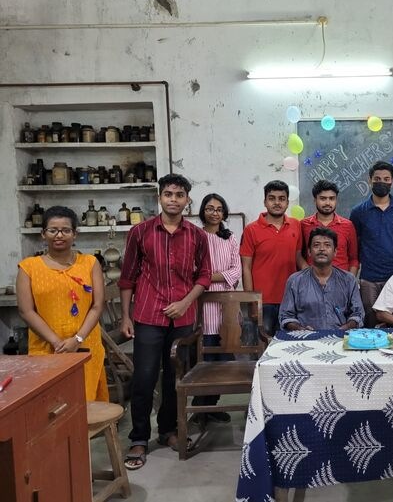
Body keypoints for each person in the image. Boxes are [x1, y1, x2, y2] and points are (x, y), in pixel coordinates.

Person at [119, 173, 212, 469]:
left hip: (182, 317)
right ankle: (139, 438)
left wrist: (185, 302)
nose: (174, 199)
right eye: (168, 194)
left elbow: (204, 275)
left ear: (187, 200)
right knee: (145, 378)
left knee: (176, 378)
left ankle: (169, 430)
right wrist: (125, 316)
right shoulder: (140, 232)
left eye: (179, 194)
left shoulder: (197, 235)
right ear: (160, 197)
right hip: (148, 315)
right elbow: (127, 276)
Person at [17, 206, 108, 402]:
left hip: (85, 346)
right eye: (53, 230)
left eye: (66, 230)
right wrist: (57, 343)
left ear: (75, 234)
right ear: (43, 234)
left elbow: (97, 305)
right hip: (46, 349)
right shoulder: (28, 267)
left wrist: (77, 339)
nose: (59, 235)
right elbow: (26, 311)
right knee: (51, 406)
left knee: (86, 402)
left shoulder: (90, 263)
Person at [191, 193, 242, 424]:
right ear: (203, 211)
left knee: (223, 358)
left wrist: (207, 277)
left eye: (219, 209)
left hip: (226, 305)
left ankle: (212, 406)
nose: (214, 213)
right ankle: (199, 408)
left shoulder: (230, 238)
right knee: (204, 359)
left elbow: (236, 271)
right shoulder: (195, 236)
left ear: (224, 213)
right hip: (202, 303)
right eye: (210, 208)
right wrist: (209, 278)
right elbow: (192, 270)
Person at [350, 161, 393, 327]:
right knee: (370, 323)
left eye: (386, 179)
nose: (382, 182)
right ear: (370, 180)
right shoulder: (358, 212)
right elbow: (355, 244)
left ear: (392, 181)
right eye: (377, 179)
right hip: (369, 278)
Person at [240, 180, 303, 335]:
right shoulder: (251, 229)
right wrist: (251, 300)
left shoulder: (296, 225)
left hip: (290, 300)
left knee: (288, 344)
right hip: (262, 300)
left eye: (281, 199)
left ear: (287, 202)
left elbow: (298, 259)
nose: (277, 203)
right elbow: (246, 267)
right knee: (262, 344)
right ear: (265, 202)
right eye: (272, 198)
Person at [279, 227, 364, 330]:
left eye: (327, 245)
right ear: (309, 252)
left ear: (335, 252)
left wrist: (344, 328)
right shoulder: (295, 281)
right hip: (306, 337)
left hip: (341, 337)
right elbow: (286, 316)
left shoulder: (348, 280)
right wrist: (301, 329)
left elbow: (358, 314)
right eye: (316, 245)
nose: (322, 249)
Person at [301, 180, 359, 276]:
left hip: (342, 281)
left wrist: (350, 280)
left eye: (331, 198)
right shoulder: (304, 225)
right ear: (315, 200)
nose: (328, 203)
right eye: (323, 199)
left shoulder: (348, 226)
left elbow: (354, 259)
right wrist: (307, 276)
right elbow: (299, 255)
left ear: (336, 200)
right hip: (312, 280)